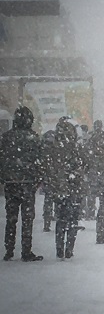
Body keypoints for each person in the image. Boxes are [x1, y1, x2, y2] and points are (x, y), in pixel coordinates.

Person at [0, 106, 44, 261]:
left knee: (11, 218)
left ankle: (9, 250)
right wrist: (38, 178)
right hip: (27, 183)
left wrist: (4, 177)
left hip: (11, 183)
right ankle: (26, 250)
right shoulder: (33, 138)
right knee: (27, 219)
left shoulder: (6, 138)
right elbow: (39, 161)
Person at [42, 121, 87, 259]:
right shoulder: (76, 148)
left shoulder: (53, 149)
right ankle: (69, 248)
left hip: (60, 189)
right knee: (73, 219)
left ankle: (59, 248)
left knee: (61, 219)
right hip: (74, 188)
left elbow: (47, 166)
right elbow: (85, 164)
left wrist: (53, 182)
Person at [83, 120, 104, 220]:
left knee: (91, 193)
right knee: (103, 193)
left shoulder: (91, 138)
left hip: (93, 168)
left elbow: (86, 153)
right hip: (102, 169)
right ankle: (102, 213)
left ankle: (91, 212)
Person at [41, 130, 56, 232]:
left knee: (48, 201)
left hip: (48, 178)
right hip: (56, 178)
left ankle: (47, 222)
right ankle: (57, 218)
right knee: (58, 201)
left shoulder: (43, 150)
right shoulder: (57, 149)